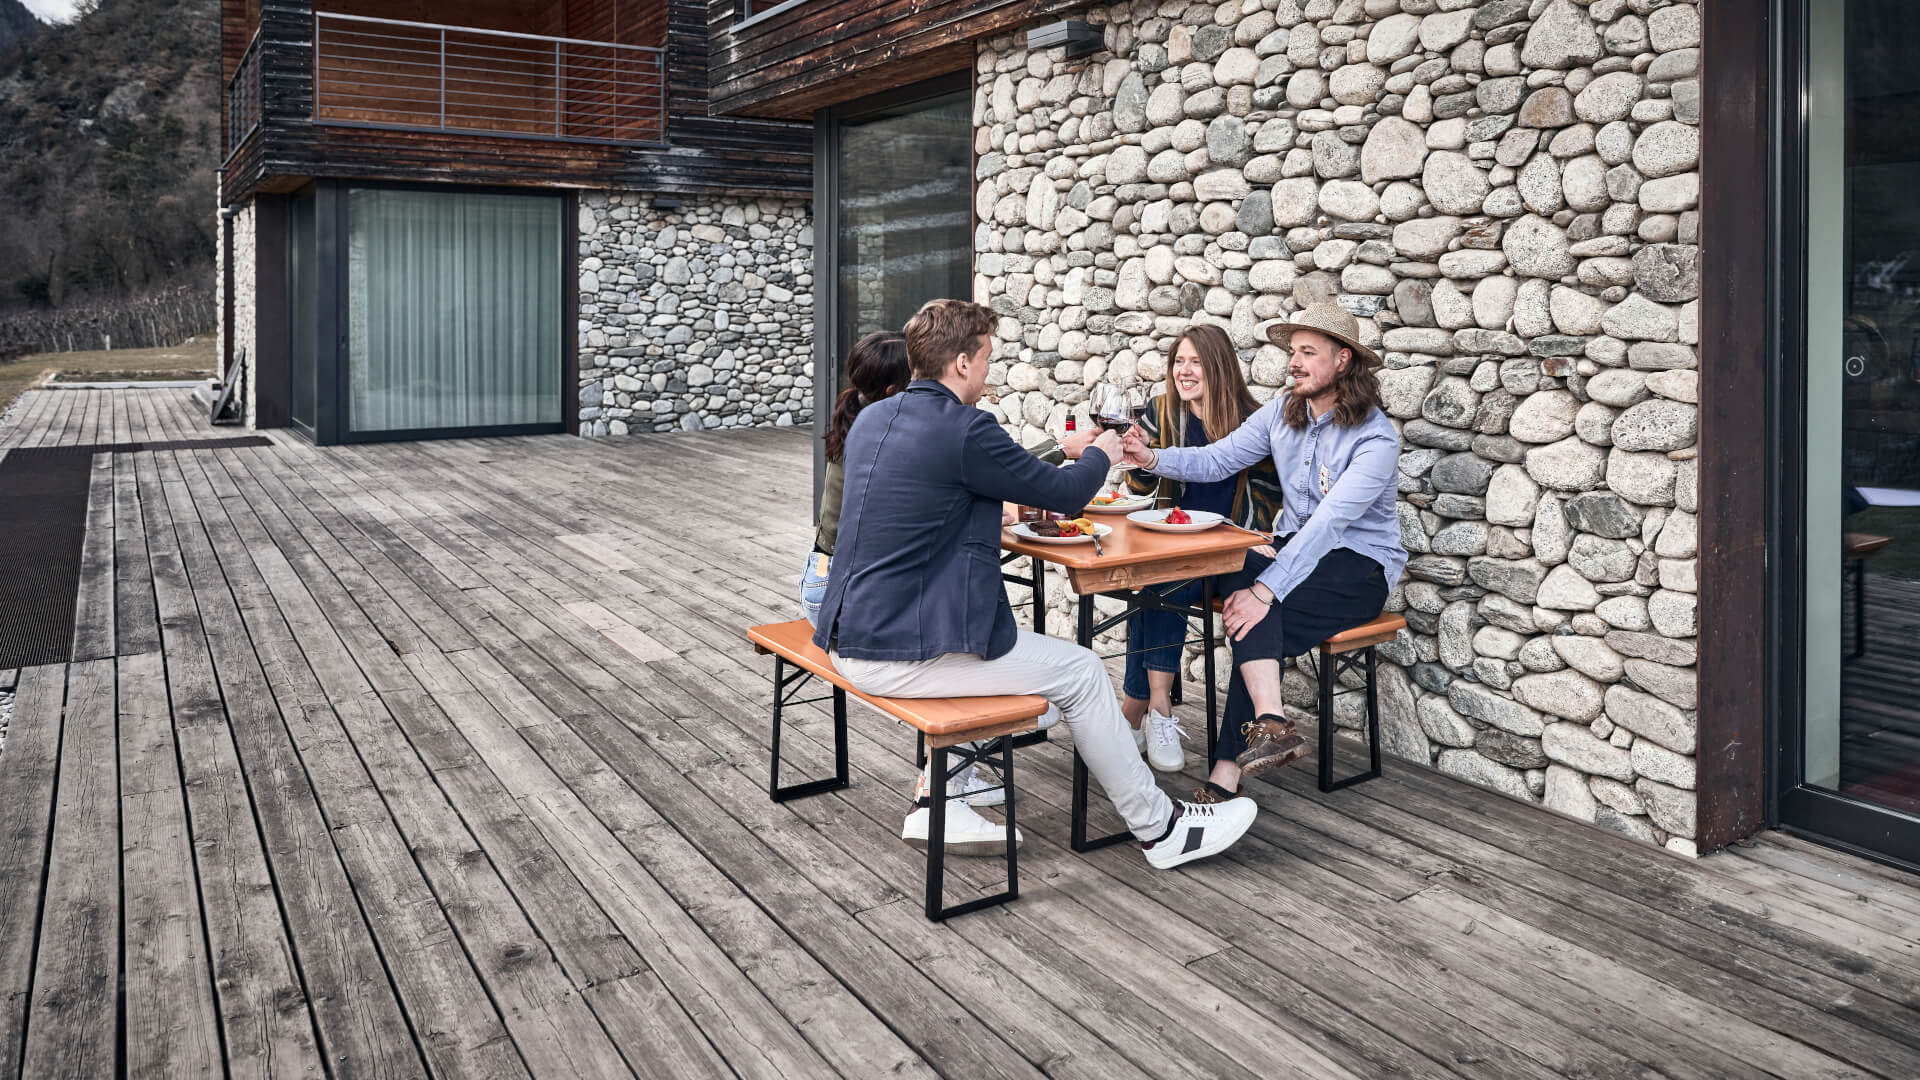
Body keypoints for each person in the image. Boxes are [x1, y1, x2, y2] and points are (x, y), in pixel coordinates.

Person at [815, 297, 1258, 866]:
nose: (988, 370)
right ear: (961, 365)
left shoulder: (876, 417)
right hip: (902, 649)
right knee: (1079, 672)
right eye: (986, 359)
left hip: (850, 630)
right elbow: (1070, 492)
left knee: (1047, 691)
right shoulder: (966, 428)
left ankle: (945, 794)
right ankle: (1162, 830)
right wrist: (1099, 451)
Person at [1123, 302, 1406, 805]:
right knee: (1231, 570)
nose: (1293, 362)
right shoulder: (1282, 411)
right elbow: (1218, 459)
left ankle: (1226, 775)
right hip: (1293, 550)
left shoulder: (1376, 437)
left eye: (1307, 352)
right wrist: (1153, 457)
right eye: (1292, 352)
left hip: (1358, 566)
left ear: (1343, 361)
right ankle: (1270, 722)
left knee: (1254, 610)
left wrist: (1265, 589)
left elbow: (1329, 526)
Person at [1117, 324, 1284, 773]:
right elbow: (1138, 485)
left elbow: (1269, 497)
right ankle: (1159, 709)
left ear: (1219, 367)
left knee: (1158, 585)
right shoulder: (1161, 411)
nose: (1183, 371)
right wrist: (1138, 457)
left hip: (1229, 553)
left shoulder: (1253, 420)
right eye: (1178, 362)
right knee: (1158, 579)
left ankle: (1135, 715)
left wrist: (1254, 539)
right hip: (1172, 543)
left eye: (1195, 361)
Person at [802, 331, 910, 627]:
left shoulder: (858, 415)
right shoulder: (879, 434)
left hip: (823, 578)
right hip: (842, 598)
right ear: (892, 390)